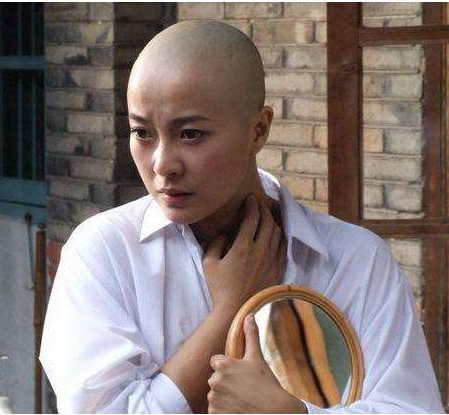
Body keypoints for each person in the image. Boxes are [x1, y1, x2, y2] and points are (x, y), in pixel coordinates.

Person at [39, 21, 444, 413]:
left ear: (258, 130)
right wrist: (228, 311)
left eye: (191, 134)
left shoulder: (356, 260)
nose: (162, 164)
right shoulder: (103, 253)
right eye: (142, 133)